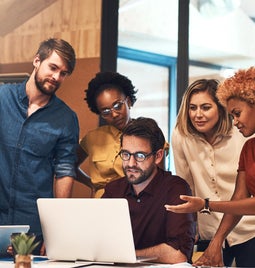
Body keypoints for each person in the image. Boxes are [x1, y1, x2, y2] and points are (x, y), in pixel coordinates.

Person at [166, 67, 255, 267]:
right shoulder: (249, 146)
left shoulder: (241, 136)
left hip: (249, 232)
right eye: (192, 108)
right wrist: (215, 239)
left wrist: (206, 205)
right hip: (213, 229)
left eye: (237, 113)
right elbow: (239, 197)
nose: (235, 122)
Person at [0, 38, 79, 255]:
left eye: (63, 73)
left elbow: (64, 170)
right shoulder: (2, 98)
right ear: (37, 60)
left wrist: (56, 229)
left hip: (31, 226)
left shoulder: (66, 118)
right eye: (53, 67)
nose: (56, 77)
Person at [102, 117, 196, 264]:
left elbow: (178, 255)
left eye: (140, 156)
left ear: (158, 156)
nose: (131, 163)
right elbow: (99, 243)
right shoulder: (113, 190)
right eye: (126, 154)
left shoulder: (176, 189)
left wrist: (130, 256)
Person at [76, 71, 137, 198]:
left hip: (136, 203)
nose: (114, 114)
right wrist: (90, 183)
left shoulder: (148, 134)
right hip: (101, 205)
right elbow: (67, 166)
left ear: (129, 102)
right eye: (106, 111)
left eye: (118, 106)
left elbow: (160, 179)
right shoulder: (93, 138)